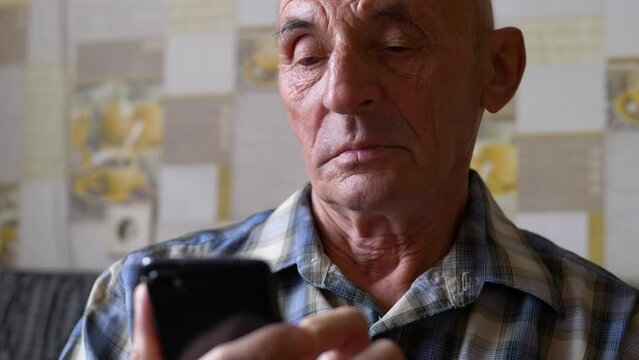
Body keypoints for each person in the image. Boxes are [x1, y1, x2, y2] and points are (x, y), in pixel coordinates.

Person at [61, 0, 639, 359]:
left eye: (396, 45)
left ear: (497, 68)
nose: (340, 91)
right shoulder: (136, 303)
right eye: (307, 55)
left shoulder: (611, 330)